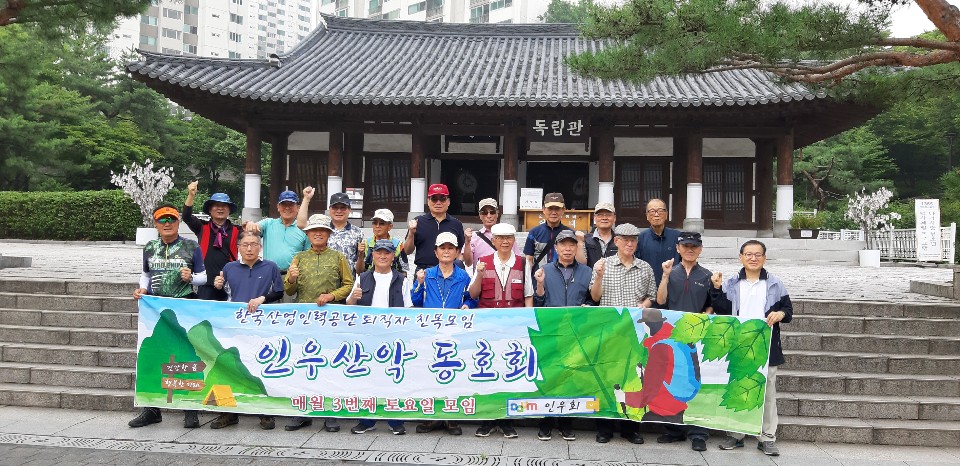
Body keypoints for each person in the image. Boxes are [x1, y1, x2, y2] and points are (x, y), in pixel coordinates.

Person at [128, 204, 207, 429]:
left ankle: (190, 409)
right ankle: (151, 410)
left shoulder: (191, 246)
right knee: (153, 357)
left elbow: (203, 277)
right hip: (156, 311)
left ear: (178, 222)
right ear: (155, 224)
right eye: (162, 220)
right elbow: (145, 274)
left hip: (184, 308)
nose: (167, 223)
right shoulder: (150, 247)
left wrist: (191, 278)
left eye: (171, 219)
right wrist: (142, 289)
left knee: (185, 357)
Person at [711, 240, 792, 457]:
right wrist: (716, 289)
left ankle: (767, 438)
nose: (753, 258)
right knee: (737, 388)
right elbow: (721, 311)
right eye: (748, 254)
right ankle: (735, 435)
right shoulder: (731, 283)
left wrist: (780, 314)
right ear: (741, 257)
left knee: (767, 394)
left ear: (764, 258)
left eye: (758, 254)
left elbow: (788, 311)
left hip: (766, 345)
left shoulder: (775, 284)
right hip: (739, 345)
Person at [283, 213, 355, 432]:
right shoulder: (299, 258)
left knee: (329, 365)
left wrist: (332, 296)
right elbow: (289, 290)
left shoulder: (338, 257)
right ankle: (302, 412)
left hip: (330, 320)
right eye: (314, 230)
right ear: (308, 234)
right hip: (304, 321)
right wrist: (292, 278)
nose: (318, 234)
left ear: (328, 234)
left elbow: (348, 284)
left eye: (322, 230)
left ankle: (330, 413)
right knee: (304, 364)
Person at [210, 231, 285, 430]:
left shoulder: (270, 267)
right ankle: (228, 413)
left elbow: (279, 291)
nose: (249, 248)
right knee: (228, 368)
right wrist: (217, 286)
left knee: (260, 368)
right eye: (245, 245)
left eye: (253, 244)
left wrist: (263, 299)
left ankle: (265, 413)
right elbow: (224, 295)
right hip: (233, 327)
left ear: (260, 247)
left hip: (262, 327)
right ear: (238, 248)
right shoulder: (229, 267)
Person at [589, 223, 655, 445]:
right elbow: (595, 297)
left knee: (634, 378)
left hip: (635, 332)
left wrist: (643, 305)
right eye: (625, 239)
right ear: (616, 241)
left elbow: (651, 296)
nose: (629, 244)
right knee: (607, 377)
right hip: (609, 331)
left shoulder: (645, 267)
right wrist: (599, 277)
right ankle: (604, 427)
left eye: (633, 240)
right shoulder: (603, 264)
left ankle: (631, 428)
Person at [467, 223, 532, 439]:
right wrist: (479, 274)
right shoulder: (483, 261)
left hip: (514, 328)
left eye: (509, 238)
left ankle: (506, 421)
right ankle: (487, 419)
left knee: (510, 373)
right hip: (488, 329)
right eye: (500, 238)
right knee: (488, 372)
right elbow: (473, 294)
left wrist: (527, 324)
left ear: (514, 241)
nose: (505, 242)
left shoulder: (522, 263)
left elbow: (528, 296)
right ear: (493, 241)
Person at [410, 231, 476, 436]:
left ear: (457, 252)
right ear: (436, 252)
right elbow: (415, 301)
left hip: (455, 332)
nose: (446, 252)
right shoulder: (427, 274)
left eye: (450, 248)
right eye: (442, 248)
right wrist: (419, 283)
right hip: (430, 331)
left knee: (453, 374)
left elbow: (472, 297)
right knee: (430, 373)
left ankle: (451, 418)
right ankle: (431, 417)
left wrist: (467, 305)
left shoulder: (463, 276)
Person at [652, 231, 712, 451]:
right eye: (685, 246)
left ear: (700, 249)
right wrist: (665, 276)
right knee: (672, 383)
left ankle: (699, 433)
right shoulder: (671, 272)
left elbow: (711, 305)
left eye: (694, 246)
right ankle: (673, 430)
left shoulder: (706, 275)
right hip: (672, 338)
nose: (690, 250)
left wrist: (705, 318)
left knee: (696, 383)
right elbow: (660, 301)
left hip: (696, 339)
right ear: (678, 248)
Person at [345, 239, 407, 436]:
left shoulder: (402, 279)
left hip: (392, 337)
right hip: (367, 337)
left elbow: (409, 309)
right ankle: (366, 420)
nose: (382, 256)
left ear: (393, 256)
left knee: (392, 378)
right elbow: (349, 305)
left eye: (387, 253)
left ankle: (395, 421)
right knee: (367, 378)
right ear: (372, 255)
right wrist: (353, 297)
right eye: (378, 252)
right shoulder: (362, 277)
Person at [532, 229, 589, 442]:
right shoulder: (544, 270)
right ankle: (546, 421)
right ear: (555, 248)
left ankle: (566, 422)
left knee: (570, 376)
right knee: (550, 376)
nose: (567, 248)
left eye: (571, 244)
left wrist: (587, 305)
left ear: (576, 247)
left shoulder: (586, 272)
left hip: (576, 332)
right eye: (563, 244)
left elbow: (593, 299)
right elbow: (538, 302)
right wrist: (540, 284)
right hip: (551, 332)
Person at [182, 180, 241, 301]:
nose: (220, 208)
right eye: (216, 205)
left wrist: (252, 225)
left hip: (229, 281)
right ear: (210, 209)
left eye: (224, 206)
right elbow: (186, 217)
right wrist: (191, 195)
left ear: (229, 210)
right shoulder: (202, 227)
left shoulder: (237, 230)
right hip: (205, 282)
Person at [244, 190, 309, 293]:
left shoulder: (303, 229)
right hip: (268, 275)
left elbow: (308, 255)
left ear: (298, 207)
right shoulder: (268, 223)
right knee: (267, 302)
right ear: (278, 207)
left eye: (291, 204)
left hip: (292, 277)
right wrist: (251, 224)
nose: (287, 208)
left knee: (289, 303)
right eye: (284, 204)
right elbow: (256, 228)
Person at [403, 183, 465, 275]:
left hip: (449, 271)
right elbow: (407, 251)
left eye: (442, 199)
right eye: (434, 199)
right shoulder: (418, 222)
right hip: (424, 271)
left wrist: (456, 267)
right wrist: (411, 233)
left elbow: (460, 250)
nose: (438, 203)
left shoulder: (456, 224)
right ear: (428, 201)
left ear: (448, 201)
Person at [298, 188, 363, 272]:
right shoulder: (322, 227)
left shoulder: (357, 232)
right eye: (335, 208)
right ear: (329, 209)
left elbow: (360, 267)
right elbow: (301, 224)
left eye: (343, 208)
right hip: (324, 277)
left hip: (348, 278)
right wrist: (306, 199)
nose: (339, 211)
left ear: (349, 209)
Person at [524, 192, 574, 277]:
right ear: (543, 209)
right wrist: (529, 281)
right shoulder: (534, 233)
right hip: (539, 278)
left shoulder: (570, 233)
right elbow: (529, 260)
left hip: (562, 279)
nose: (553, 212)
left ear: (563, 210)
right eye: (550, 209)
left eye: (557, 209)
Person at [461, 198, 519, 268]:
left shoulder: (507, 235)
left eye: (492, 212)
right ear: (480, 215)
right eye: (484, 212)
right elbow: (468, 263)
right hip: (482, 274)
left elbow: (517, 260)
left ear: (497, 214)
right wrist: (467, 242)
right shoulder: (474, 237)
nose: (489, 216)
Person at [637, 198, 681, 287]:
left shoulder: (677, 237)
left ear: (666, 214)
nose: (656, 214)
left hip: (673, 287)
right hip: (648, 288)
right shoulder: (640, 238)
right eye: (652, 211)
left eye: (660, 211)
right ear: (647, 216)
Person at [356, 208, 408, 276]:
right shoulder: (365, 243)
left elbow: (404, 271)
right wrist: (360, 255)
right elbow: (359, 272)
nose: (377, 226)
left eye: (382, 223)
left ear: (390, 227)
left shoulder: (398, 244)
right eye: (375, 223)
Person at [576, 202, 618, 267]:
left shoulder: (619, 240)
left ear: (614, 218)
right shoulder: (586, 240)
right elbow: (580, 265)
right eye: (600, 215)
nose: (604, 218)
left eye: (608, 215)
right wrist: (579, 242)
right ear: (595, 218)